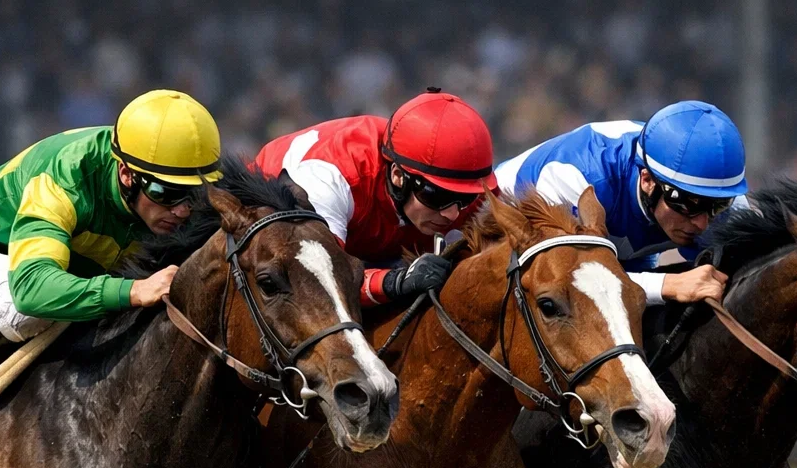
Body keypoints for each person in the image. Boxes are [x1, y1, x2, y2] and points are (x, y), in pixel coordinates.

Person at [0, 89, 224, 467]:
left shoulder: (161, 175)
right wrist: (133, 290)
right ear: (126, 173)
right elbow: (32, 288)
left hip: (58, 270)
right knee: (34, 308)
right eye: (165, 192)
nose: (182, 210)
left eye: (194, 195)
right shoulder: (66, 176)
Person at [254, 89, 496, 308]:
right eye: (438, 196)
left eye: (464, 199)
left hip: (366, 246)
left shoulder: (472, 185)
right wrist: (395, 282)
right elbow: (314, 286)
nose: (452, 214)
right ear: (399, 176)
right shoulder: (328, 181)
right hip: (281, 252)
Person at [494, 101, 748, 306]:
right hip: (505, 240)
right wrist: (668, 285)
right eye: (688, 204)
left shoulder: (722, 196)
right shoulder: (577, 179)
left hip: (620, 250)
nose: (702, 222)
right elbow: (570, 282)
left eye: (717, 206)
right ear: (648, 181)